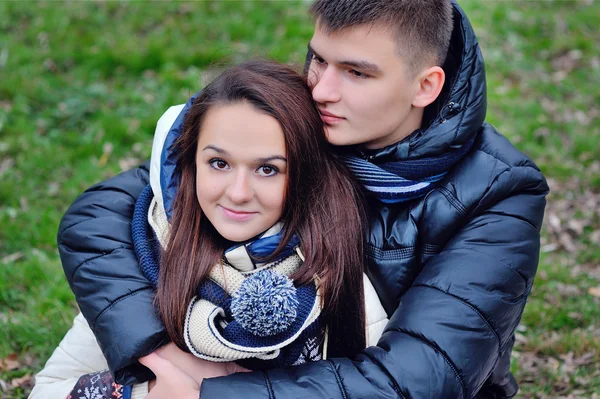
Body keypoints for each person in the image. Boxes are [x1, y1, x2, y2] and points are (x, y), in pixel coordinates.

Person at [53, 0, 549, 397]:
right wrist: (161, 354)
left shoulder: (499, 191)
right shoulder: (309, 122)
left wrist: (211, 391)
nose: (322, 89)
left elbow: (421, 377)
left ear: (425, 85)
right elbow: (100, 213)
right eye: (319, 59)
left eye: (357, 73)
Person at [31, 61, 391, 399]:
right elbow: (48, 388)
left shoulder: (337, 276)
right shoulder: (149, 253)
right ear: (191, 164)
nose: (236, 193)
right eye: (218, 163)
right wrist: (147, 392)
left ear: (304, 176)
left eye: (267, 169)